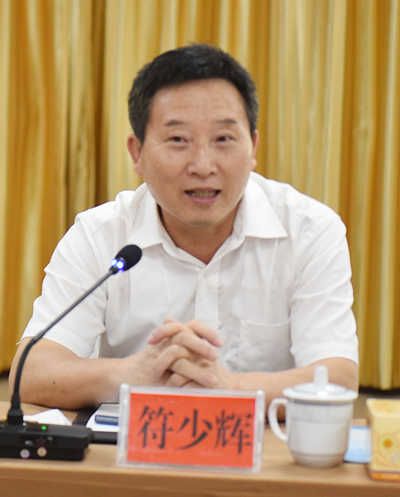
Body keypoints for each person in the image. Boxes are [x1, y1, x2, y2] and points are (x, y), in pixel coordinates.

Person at [9, 44, 358, 412]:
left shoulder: (310, 232)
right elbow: (31, 373)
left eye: (223, 139)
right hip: (132, 446)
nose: (203, 165)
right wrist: (134, 372)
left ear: (253, 147)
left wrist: (230, 386)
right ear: (137, 153)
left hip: (264, 446)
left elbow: (337, 378)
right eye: (178, 140)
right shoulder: (100, 236)